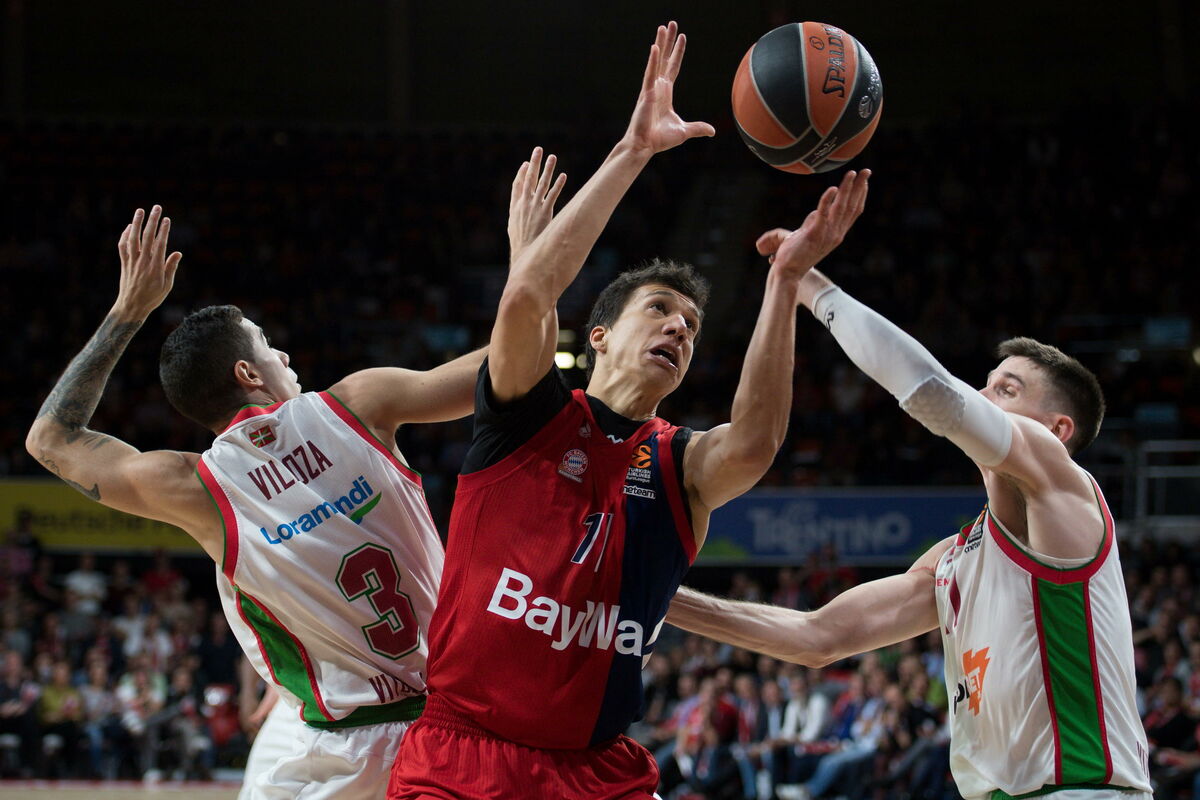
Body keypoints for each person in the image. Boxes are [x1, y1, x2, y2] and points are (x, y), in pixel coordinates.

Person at [387, 21, 870, 800]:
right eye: (660, 309)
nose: (679, 327)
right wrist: (634, 150)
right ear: (600, 334)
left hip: (599, 771)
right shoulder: (527, 413)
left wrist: (785, 283)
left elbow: (755, 444)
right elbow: (526, 300)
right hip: (463, 757)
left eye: (692, 325)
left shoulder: (681, 464)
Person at [22, 204, 491, 798]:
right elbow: (511, 365)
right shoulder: (357, 406)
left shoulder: (196, 487)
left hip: (345, 754)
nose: (284, 357)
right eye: (269, 345)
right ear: (247, 372)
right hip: (460, 720)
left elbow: (49, 439)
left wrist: (128, 310)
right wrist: (532, 266)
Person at [668, 255, 1154, 798]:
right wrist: (655, 596)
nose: (983, 397)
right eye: (986, 384)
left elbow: (932, 392)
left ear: (1057, 430)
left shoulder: (1069, 493)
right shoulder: (953, 558)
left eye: (1007, 390)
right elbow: (817, 638)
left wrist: (807, 284)